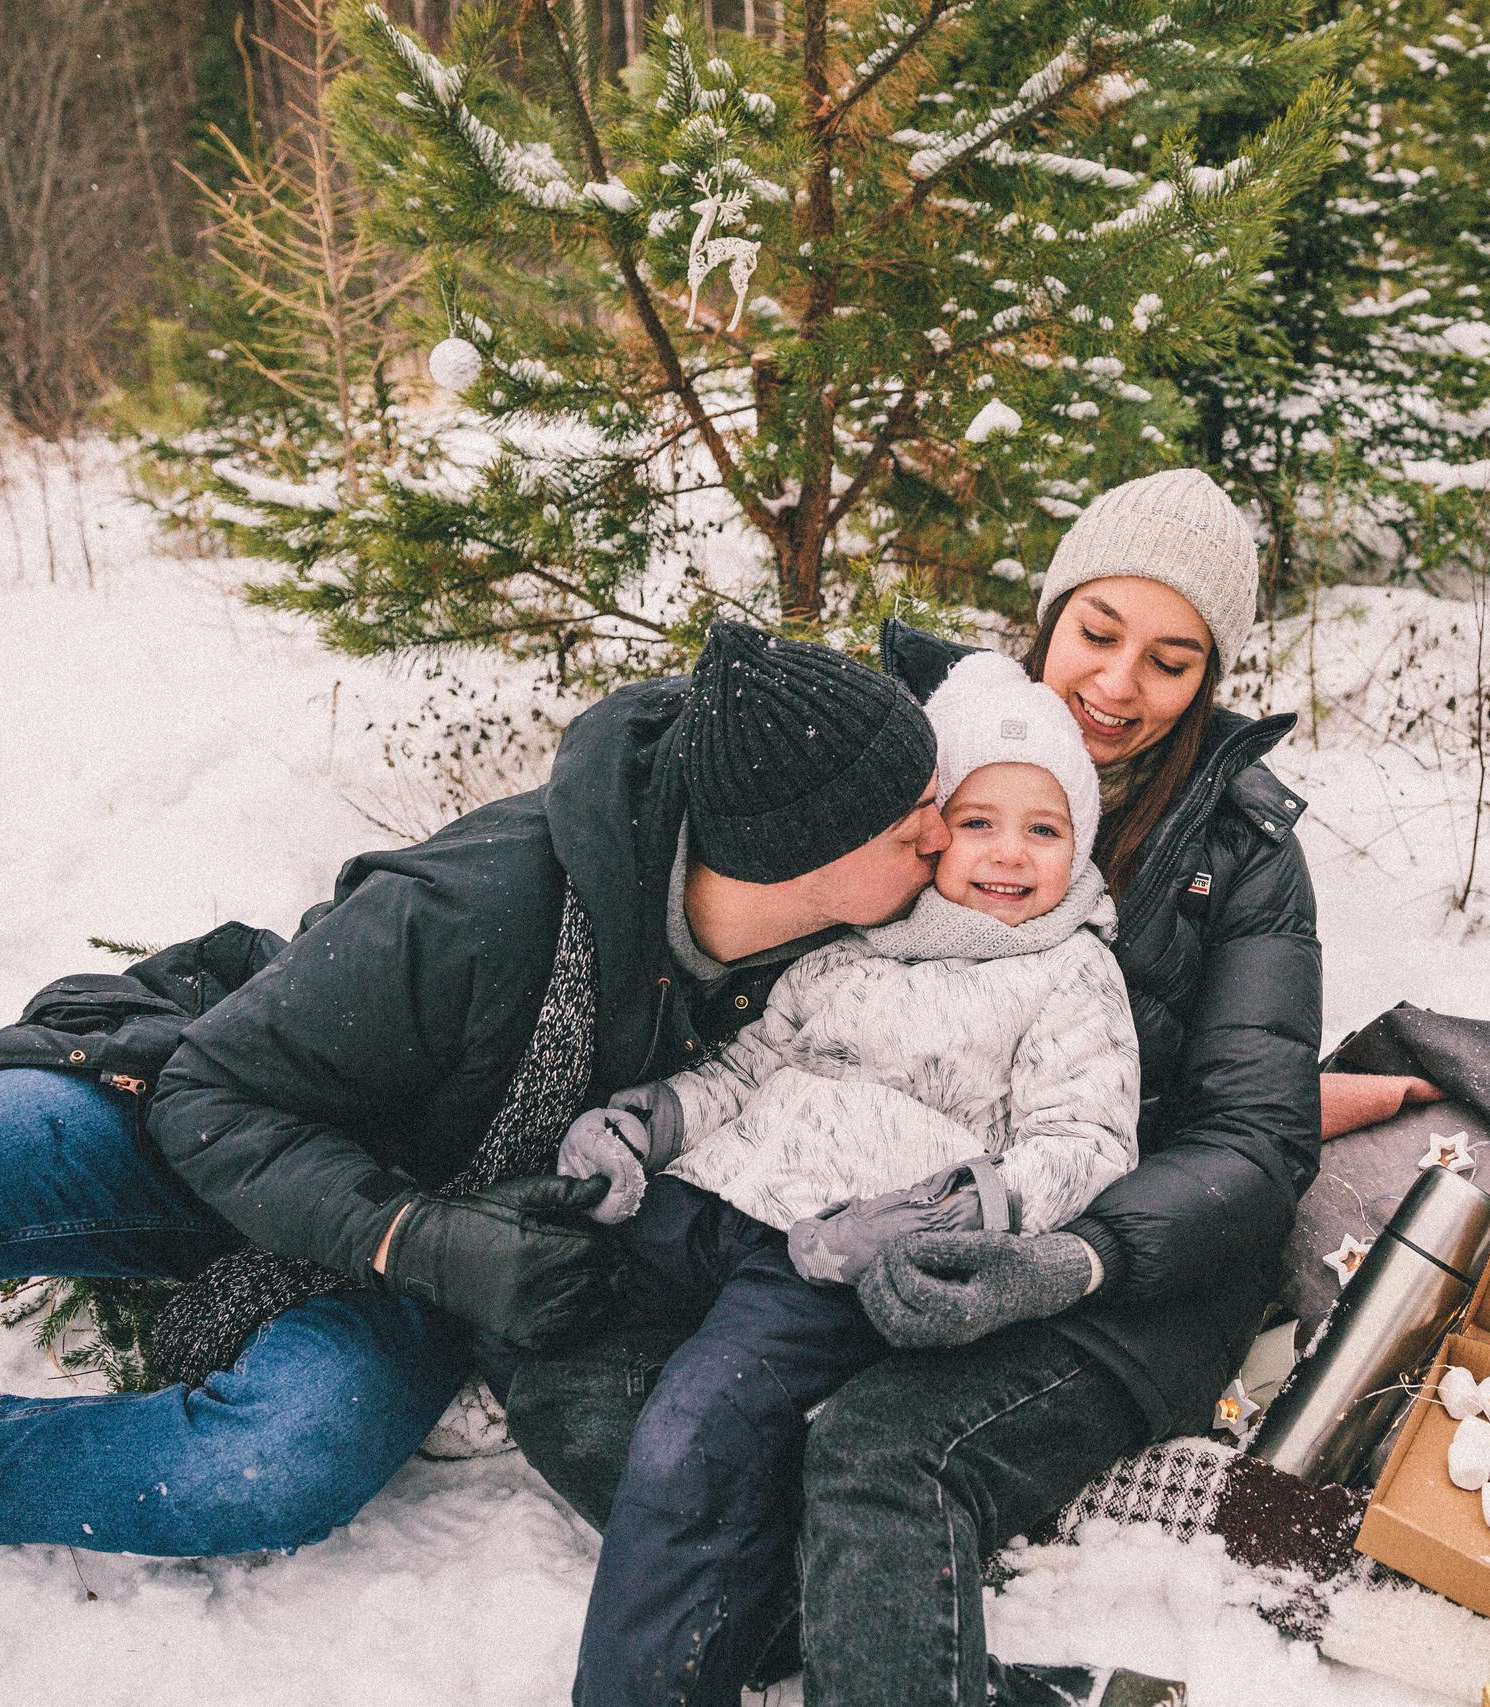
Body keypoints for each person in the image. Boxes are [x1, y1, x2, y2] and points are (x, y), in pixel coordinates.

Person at [0, 622, 947, 1703]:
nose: (946, 839)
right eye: (915, 822)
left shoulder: (854, 958)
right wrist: (411, 1233)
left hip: (442, 1267)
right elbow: (215, 1093)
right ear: (795, 851)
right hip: (228, 1114)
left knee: (267, 1469)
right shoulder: (482, 902)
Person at [504, 467, 1326, 1707]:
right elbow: (781, 992)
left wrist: (1068, 1255)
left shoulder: (1242, 854)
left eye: (1170, 661)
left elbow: (1254, 1140)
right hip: (835, 1205)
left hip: (1112, 1258)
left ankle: (872, 1610)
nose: (1117, 684)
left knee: (875, 1455)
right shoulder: (916, 747)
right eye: (1097, 633)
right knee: (586, 1391)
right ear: (1049, 616)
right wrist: (665, 1120)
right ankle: (904, 1643)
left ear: (1211, 675)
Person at [557, 648, 1141, 1706]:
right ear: (931, 830)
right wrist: (645, 1124)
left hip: (827, 1252)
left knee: (694, 1431)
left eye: (1045, 829)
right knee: (554, 1333)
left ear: (1082, 844)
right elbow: (746, 1069)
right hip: (707, 1198)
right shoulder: (849, 944)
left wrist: (944, 1211)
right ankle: (768, 1594)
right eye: (977, 820)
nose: (1009, 854)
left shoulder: (1068, 970)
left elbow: (1085, 1137)